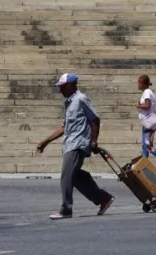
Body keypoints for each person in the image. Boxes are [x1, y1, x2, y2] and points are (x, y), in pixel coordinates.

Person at [36, 73, 116, 220]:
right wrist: (46, 141)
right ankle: (102, 198)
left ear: (71, 85)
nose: (60, 90)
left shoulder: (81, 99)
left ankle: (66, 209)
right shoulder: (69, 103)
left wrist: (94, 141)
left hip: (78, 144)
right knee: (76, 176)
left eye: (62, 87)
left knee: (66, 176)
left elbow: (95, 120)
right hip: (69, 143)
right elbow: (64, 127)